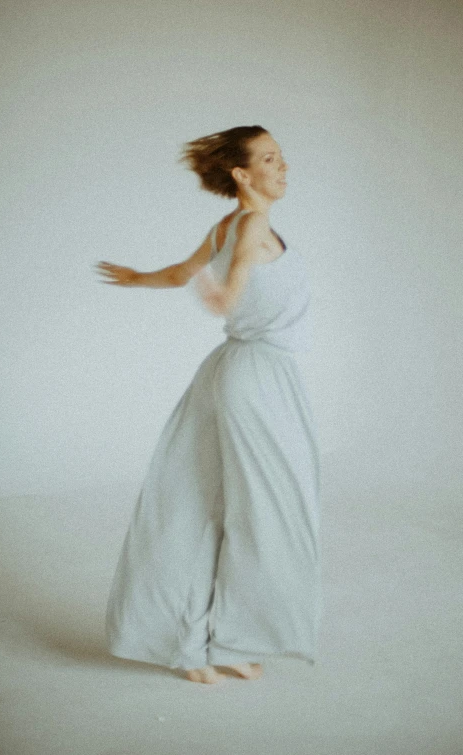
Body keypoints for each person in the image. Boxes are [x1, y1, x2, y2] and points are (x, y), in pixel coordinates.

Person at [95, 125, 322, 684]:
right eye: (270, 159)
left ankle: (201, 641)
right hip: (257, 375)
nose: (283, 166)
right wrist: (226, 294)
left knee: (208, 505)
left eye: (282, 157)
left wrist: (137, 278)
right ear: (242, 174)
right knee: (263, 513)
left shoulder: (223, 227)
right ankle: (221, 639)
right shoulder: (251, 225)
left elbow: (181, 274)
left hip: (236, 371)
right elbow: (238, 273)